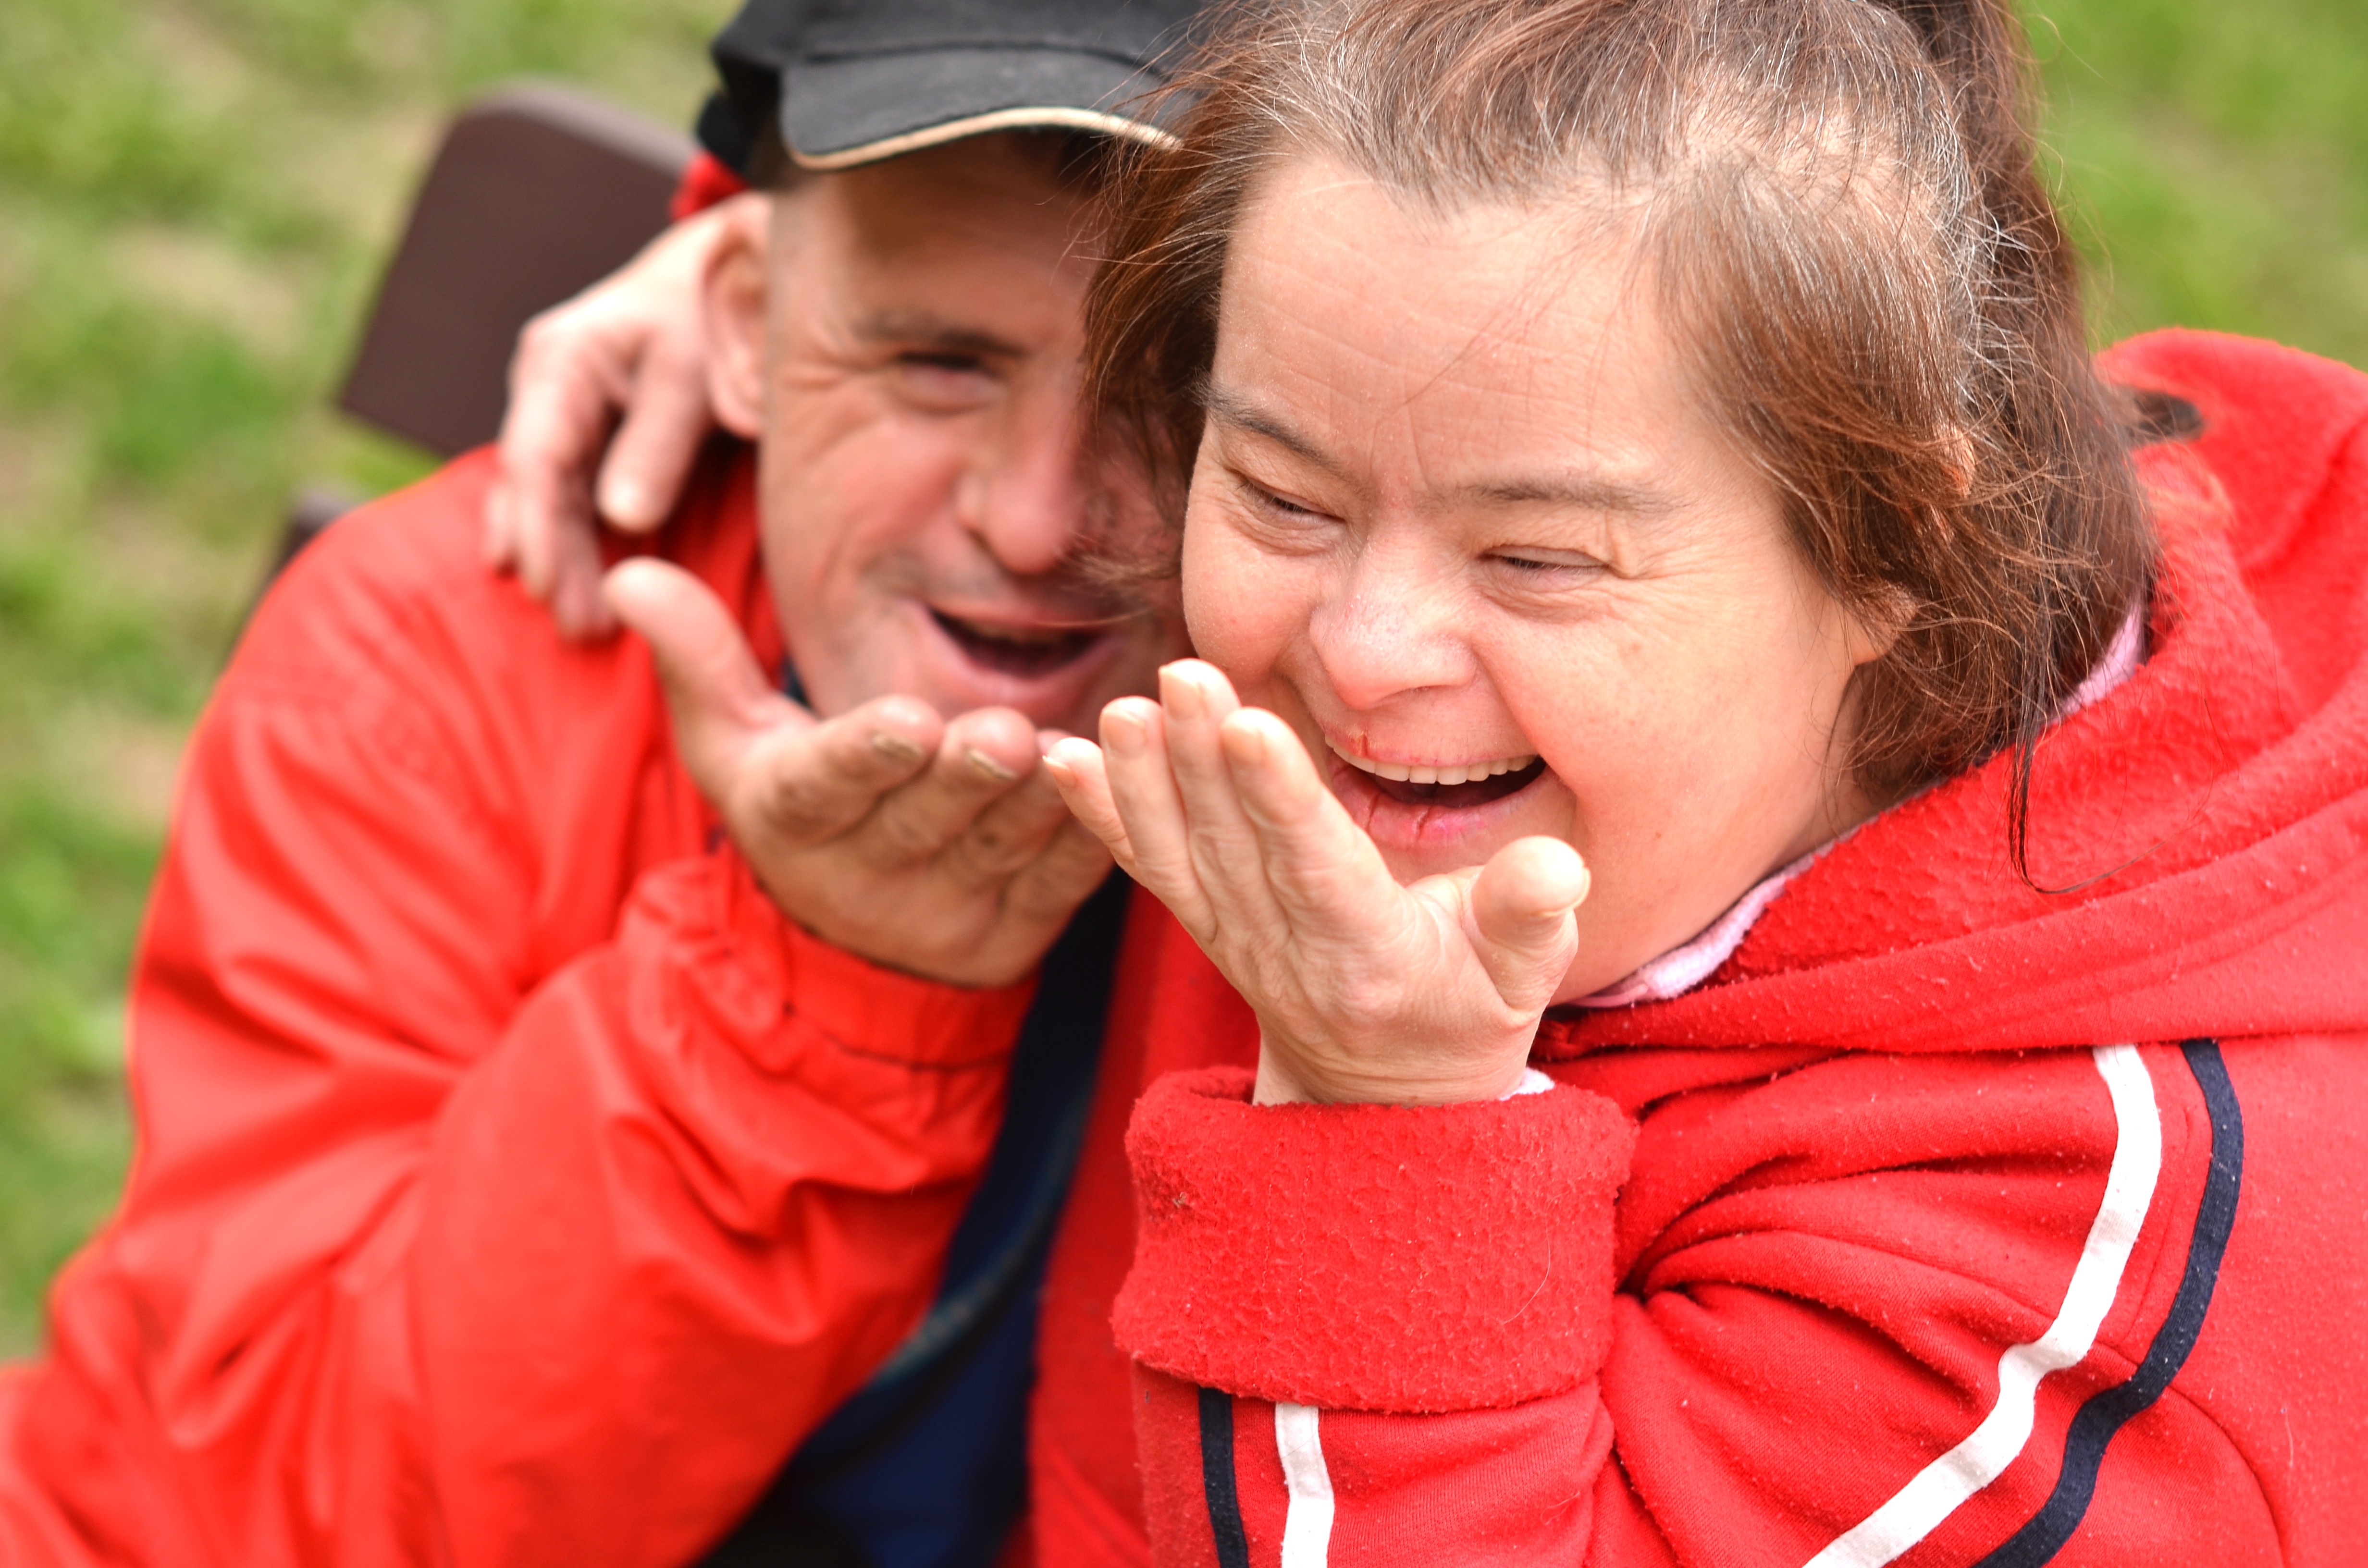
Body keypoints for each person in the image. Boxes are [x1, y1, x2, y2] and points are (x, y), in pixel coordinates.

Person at [1015, 0, 2368, 1561]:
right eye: (1282, 494)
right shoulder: (1250, 705)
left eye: (1535, 559)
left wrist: (1379, 1126)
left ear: (1896, 550)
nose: (1363, 651)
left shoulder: (2084, 1275)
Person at [0, 2, 1205, 1566]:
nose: (1036, 520)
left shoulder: (1408, 815)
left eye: (1172, 390)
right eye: (937, 363)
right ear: (740, 320)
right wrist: (819, 1008)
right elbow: (277, 1510)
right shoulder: (433, 663)